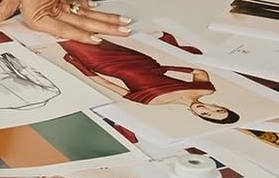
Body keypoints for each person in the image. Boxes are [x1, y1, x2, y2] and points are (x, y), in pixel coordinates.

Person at [59, 39, 238, 122]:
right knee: (89, 35)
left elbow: (106, 84)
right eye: (217, 110)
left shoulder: (153, 102)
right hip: (140, 60)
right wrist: (165, 68)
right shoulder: (205, 90)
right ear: (220, 105)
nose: (206, 109)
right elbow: (199, 71)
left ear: (197, 116)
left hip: (106, 66)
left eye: (206, 114)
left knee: (67, 39)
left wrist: (78, 65)